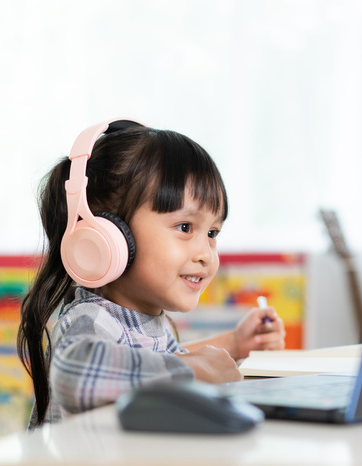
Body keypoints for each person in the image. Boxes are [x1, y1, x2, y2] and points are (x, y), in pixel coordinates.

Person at [17, 120, 286, 429]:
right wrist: (194, 371)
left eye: (212, 232)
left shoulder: (145, 318)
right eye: (185, 227)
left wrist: (236, 344)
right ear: (108, 234)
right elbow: (76, 375)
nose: (206, 254)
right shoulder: (92, 319)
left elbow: (160, 359)